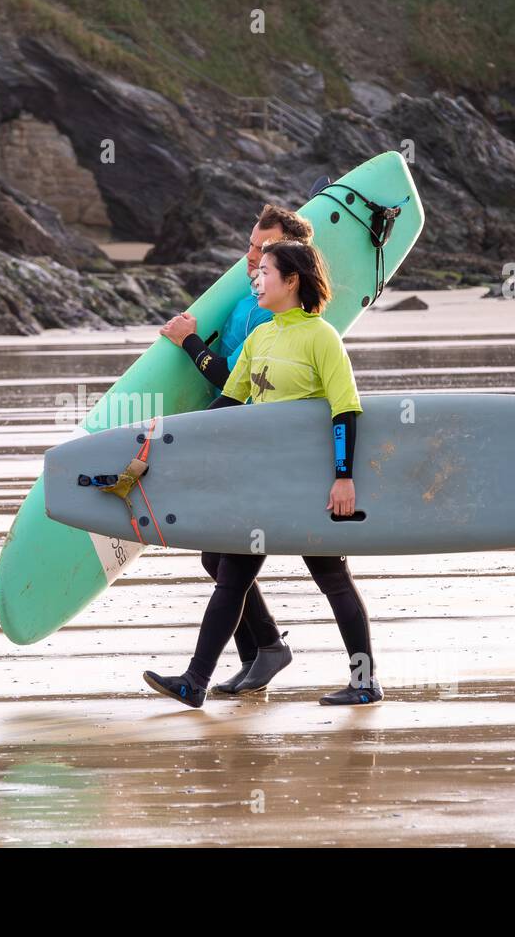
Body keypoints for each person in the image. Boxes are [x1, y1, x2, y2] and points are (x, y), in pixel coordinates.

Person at [143, 238, 383, 708]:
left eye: (266, 271)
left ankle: (365, 681)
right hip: (264, 485)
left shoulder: (321, 338)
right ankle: (196, 681)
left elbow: (344, 411)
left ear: (292, 280)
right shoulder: (261, 337)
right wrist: (172, 440)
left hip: (307, 485)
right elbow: (228, 406)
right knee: (231, 574)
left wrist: (343, 477)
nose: (257, 280)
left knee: (332, 579)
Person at [158, 204, 314, 696]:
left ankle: (215, 673)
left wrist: (190, 343)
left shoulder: (272, 318)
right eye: (249, 245)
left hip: (248, 440)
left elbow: (236, 382)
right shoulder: (251, 300)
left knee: (231, 560)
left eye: (261, 249)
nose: (249, 258)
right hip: (226, 431)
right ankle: (262, 652)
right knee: (220, 559)